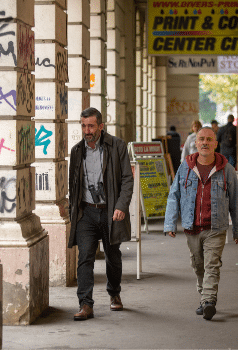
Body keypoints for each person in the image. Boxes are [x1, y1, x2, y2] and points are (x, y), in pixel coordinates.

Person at [164, 127, 238, 321]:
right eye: (202, 139)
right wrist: (170, 223)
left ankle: (209, 301)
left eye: (209, 139)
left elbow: (235, 200)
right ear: (196, 143)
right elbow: (174, 196)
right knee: (198, 265)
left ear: (216, 144)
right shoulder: (186, 167)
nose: (205, 142)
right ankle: (204, 298)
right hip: (192, 227)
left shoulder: (227, 170)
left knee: (212, 265)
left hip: (216, 227)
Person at [68, 107, 134, 321]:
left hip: (110, 212)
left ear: (101, 126)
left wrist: (121, 206)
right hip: (86, 212)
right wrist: (71, 208)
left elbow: (127, 179)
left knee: (113, 257)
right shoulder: (77, 150)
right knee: (84, 257)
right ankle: (85, 304)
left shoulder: (117, 146)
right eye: (84, 125)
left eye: (91, 126)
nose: (87, 130)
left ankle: (114, 293)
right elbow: (74, 184)